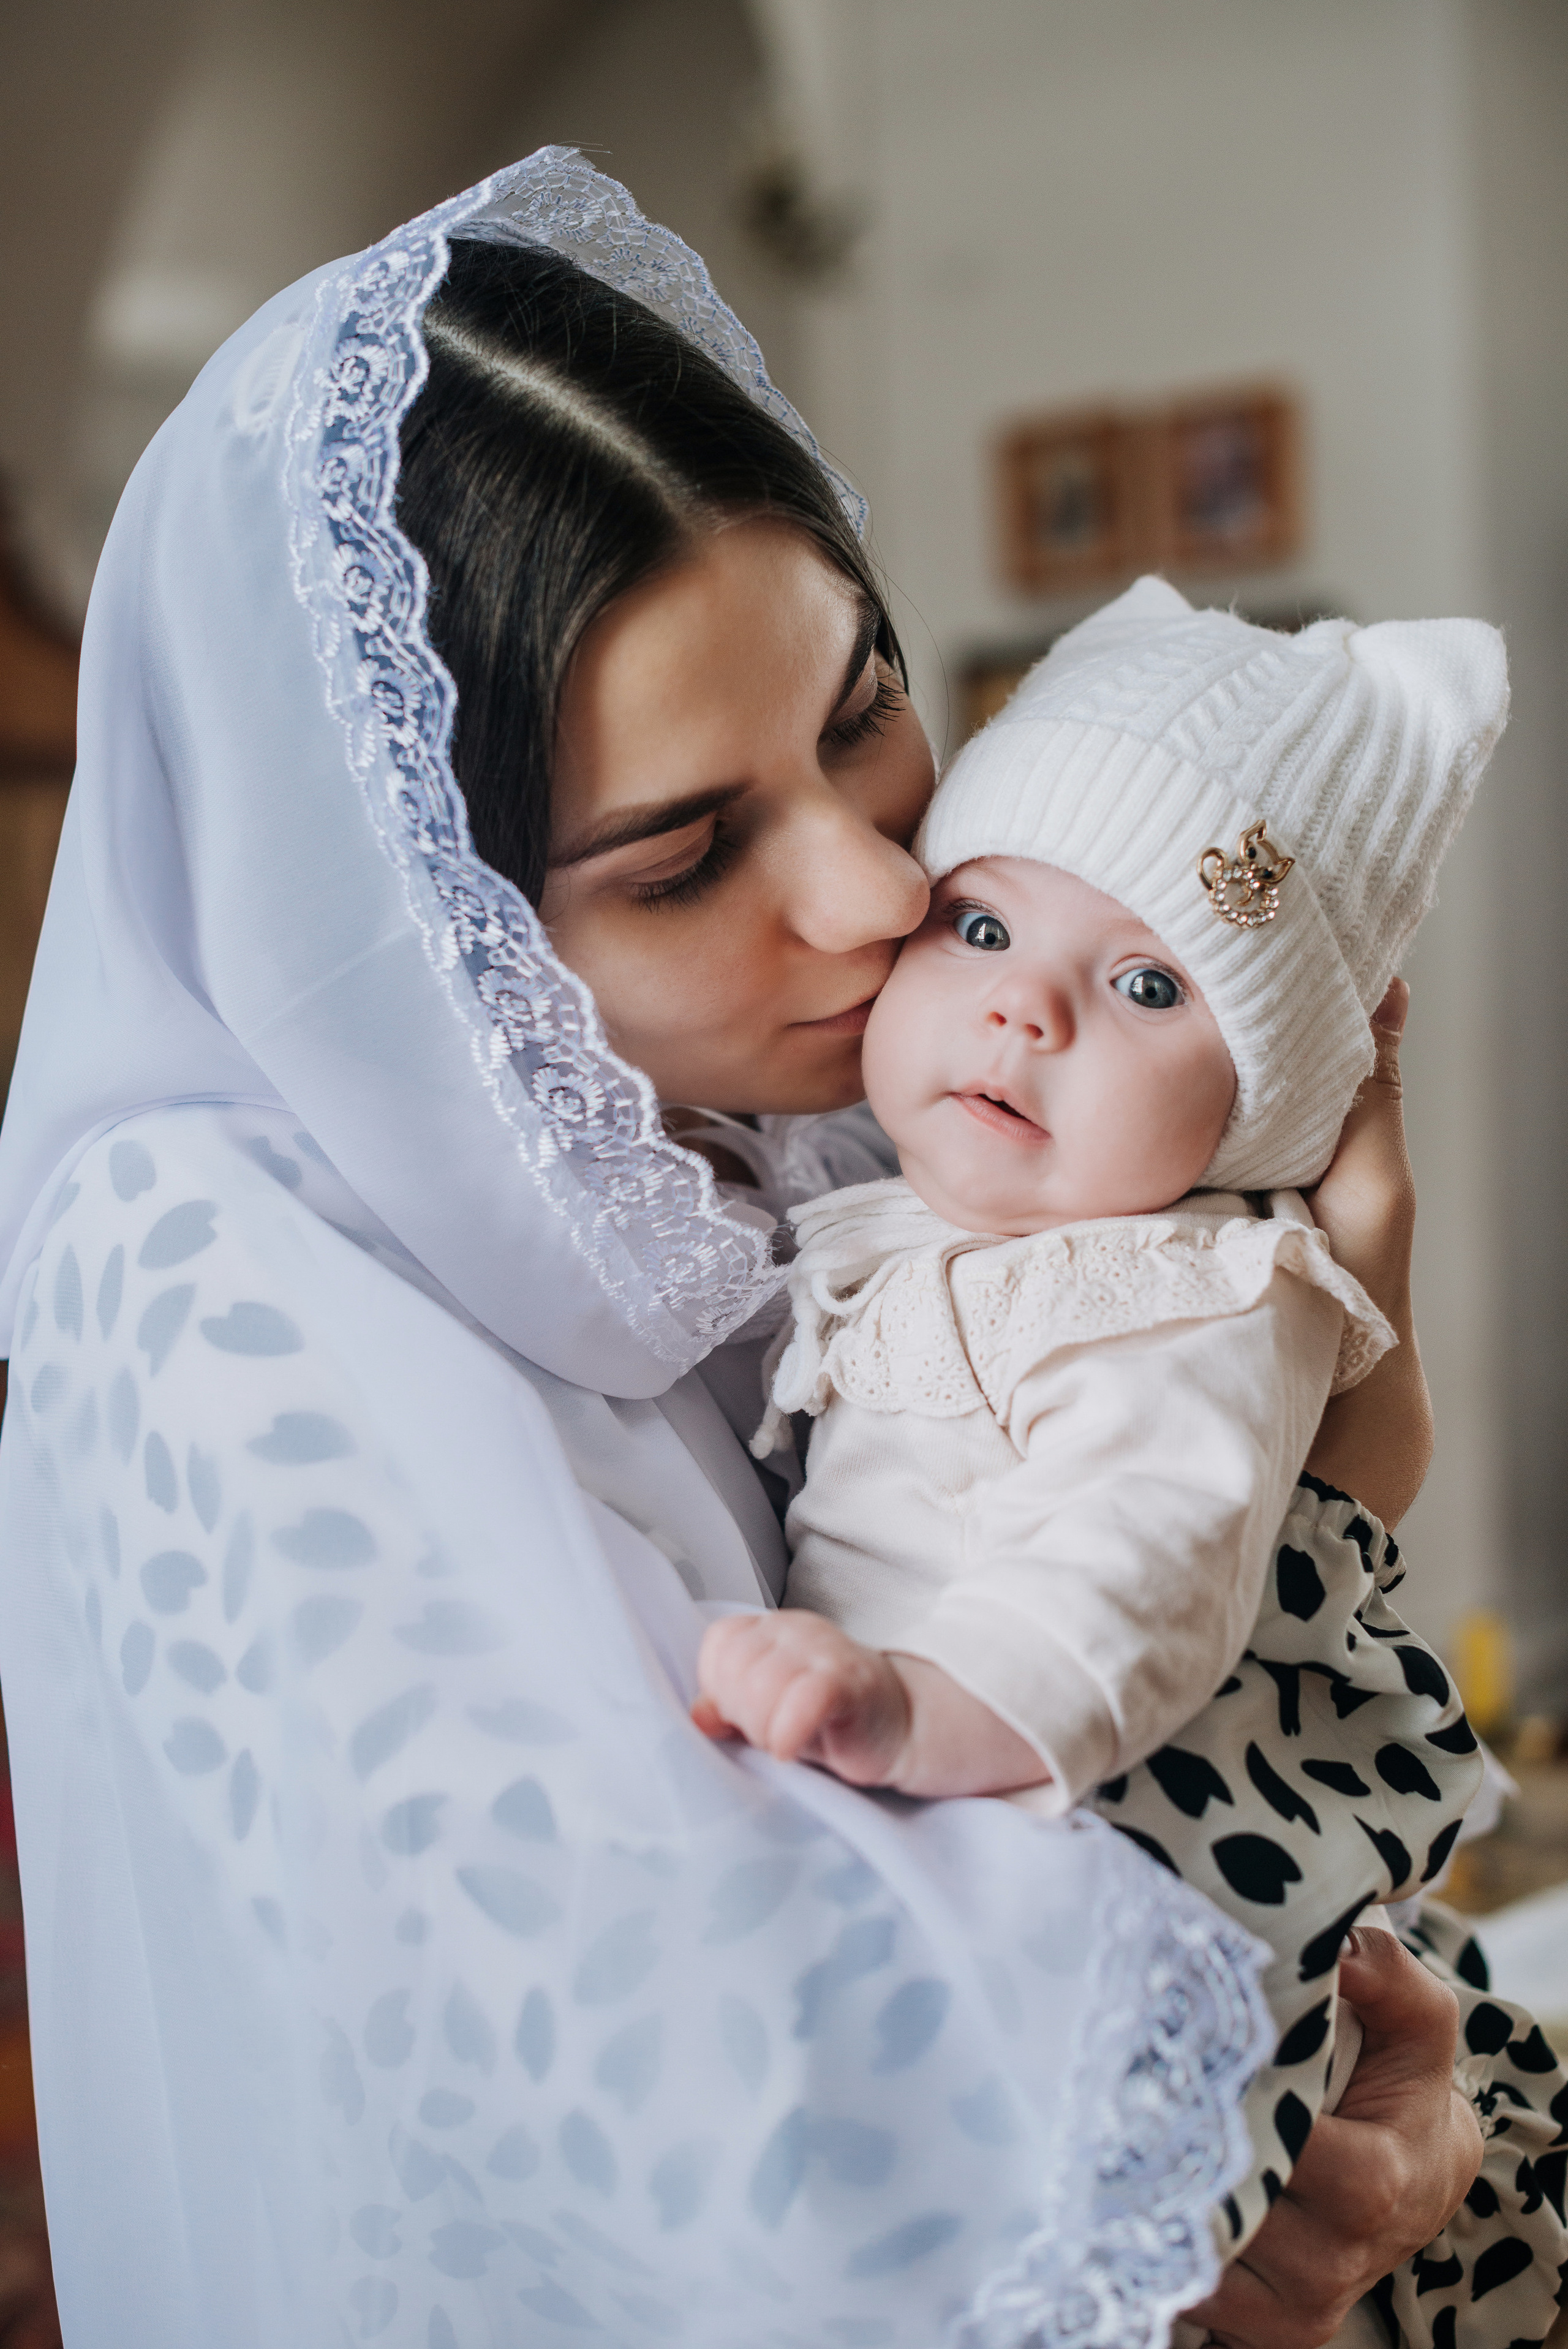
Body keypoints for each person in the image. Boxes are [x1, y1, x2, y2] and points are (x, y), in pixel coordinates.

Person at [0, 151, 1496, 2347]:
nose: (886, 895)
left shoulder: (773, 1125)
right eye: (693, 849)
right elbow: (754, 2123)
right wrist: (1245, 2184)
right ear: (414, 928)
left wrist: (1330, 1350)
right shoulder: (226, 1287)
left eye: (862, 703)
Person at [695, 578, 1568, 2344]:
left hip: (1100, 1817)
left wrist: (909, 1706)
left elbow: (1151, 1564)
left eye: (1149, 982)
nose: (1024, 1017)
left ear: (1265, 1115)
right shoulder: (891, 1205)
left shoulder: (1188, 1291)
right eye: (981, 927)